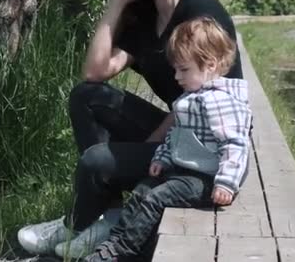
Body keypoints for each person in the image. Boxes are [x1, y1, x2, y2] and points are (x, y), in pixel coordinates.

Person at [18, 0, 244, 258]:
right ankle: (106, 216)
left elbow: (220, 97)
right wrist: (117, 2)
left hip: (206, 150)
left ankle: (77, 224)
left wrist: (150, 146)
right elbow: (95, 72)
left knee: (98, 161)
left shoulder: (201, 12)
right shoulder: (146, 17)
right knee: (87, 96)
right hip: (177, 134)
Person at [83, 16, 252, 262]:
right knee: (142, 189)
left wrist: (226, 183)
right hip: (184, 171)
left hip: (208, 179)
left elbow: (235, 144)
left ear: (211, 65)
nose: (176, 76)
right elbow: (177, 135)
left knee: (156, 198)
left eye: (184, 69)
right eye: (176, 69)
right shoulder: (191, 97)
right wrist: (162, 157)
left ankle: (123, 252)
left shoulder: (219, 102)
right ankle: (113, 243)